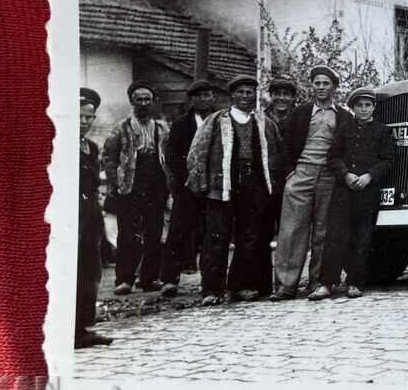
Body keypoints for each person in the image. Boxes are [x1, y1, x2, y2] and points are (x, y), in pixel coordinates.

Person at [186, 74, 282, 304]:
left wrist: (272, 185)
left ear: (255, 95)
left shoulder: (265, 123)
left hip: (254, 185)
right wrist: (201, 183)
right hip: (223, 185)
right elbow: (197, 152)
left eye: (250, 92)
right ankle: (211, 290)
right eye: (240, 92)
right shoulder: (217, 120)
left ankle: (240, 286)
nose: (245, 96)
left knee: (249, 237)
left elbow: (276, 155)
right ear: (232, 95)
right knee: (216, 237)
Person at [272, 65, 352, 301]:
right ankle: (286, 284)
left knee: (323, 231)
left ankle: (319, 281)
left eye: (325, 83)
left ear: (334, 87)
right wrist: (290, 173)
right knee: (292, 229)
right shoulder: (300, 113)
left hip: (329, 175)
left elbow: (347, 149)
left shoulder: (344, 116)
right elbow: (285, 146)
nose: (320, 87)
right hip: (302, 174)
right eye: (316, 83)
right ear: (312, 86)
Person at [315, 87, 395, 299]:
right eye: (359, 105)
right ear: (352, 108)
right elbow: (332, 157)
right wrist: (346, 175)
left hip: (368, 193)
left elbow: (388, 160)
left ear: (374, 107)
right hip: (344, 191)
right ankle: (326, 284)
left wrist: (369, 176)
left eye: (368, 105)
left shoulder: (382, 131)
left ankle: (355, 283)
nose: (364, 109)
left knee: (362, 238)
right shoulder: (344, 129)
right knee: (335, 236)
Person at [102, 81, 170, 294]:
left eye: (147, 99)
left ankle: (149, 278)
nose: (143, 103)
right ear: (132, 101)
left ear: (153, 102)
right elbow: (108, 157)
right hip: (130, 186)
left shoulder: (161, 128)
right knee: (128, 234)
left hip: (156, 186)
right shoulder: (121, 128)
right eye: (139, 99)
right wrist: (116, 183)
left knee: (154, 232)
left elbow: (169, 156)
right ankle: (124, 280)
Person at [160, 78, 219, 297]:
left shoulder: (220, 120)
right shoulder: (181, 124)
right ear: (192, 100)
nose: (203, 100)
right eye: (199, 96)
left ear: (213, 98)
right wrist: (185, 180)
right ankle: (169, 279)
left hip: (213, 187)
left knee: (210, 233)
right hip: (187, 187)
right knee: (178, 231)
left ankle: (210, 281)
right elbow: (172, 155)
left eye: (207, 95)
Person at [76, 88, 112, 349]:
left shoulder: (91, 147)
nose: (85, 122)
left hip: (90, 216)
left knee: (91, 270)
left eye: (89, 117)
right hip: (69, 214)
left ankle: (83, 327)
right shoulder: (56, 142)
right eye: (80, 117)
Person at [259, 75, 299, 296]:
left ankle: (285, 283)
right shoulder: (261, 120)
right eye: (277, 93)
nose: (281, 98)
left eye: (286, 94)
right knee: (263, 232)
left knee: (290, 233)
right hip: (267, 184)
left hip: (292, 182)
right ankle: (263, 284)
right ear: (271, 96)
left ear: (293, 97)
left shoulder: (300, 118)